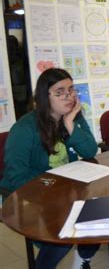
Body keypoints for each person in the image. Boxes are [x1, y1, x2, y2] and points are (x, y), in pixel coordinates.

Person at [0, 68, 99, 269]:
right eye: (60, 92)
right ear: (45, 97)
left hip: (63, 189)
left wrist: (70, 124)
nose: (68, 97)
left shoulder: (73, 116)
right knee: (63, 232)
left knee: (97, 215)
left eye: (71, 90)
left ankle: (82, 261)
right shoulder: (25, 128)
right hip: (25, 193)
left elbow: (90, 150)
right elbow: (15, 176)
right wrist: (57, 186)